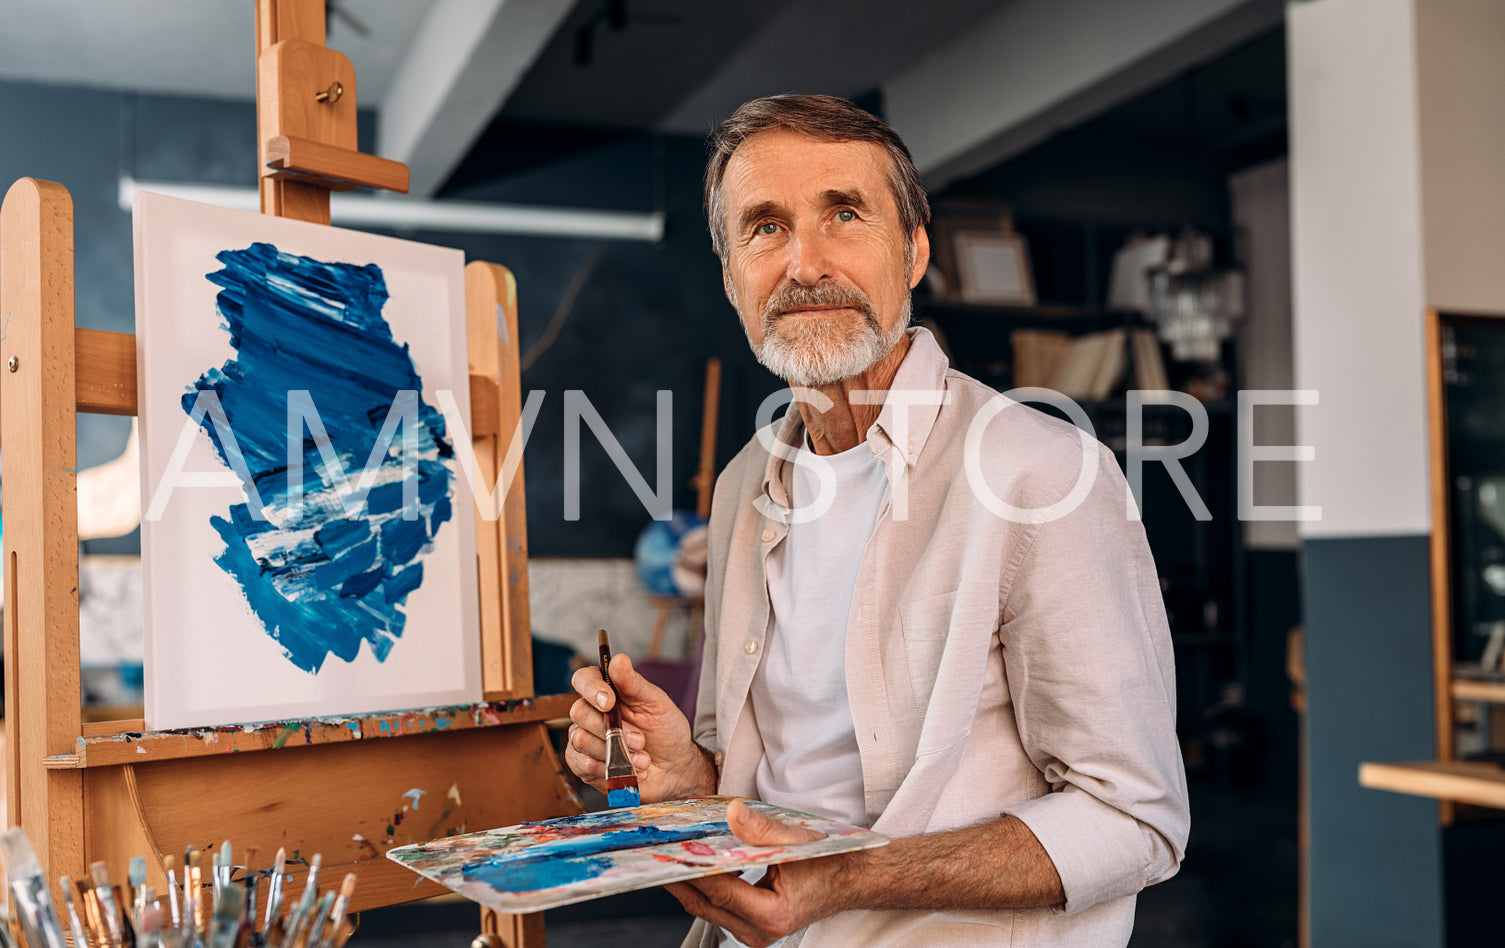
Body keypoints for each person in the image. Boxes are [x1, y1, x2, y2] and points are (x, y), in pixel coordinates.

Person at [566, 94, 1189, 948]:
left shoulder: (1044, 472)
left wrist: (847, 881)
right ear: (727, 274)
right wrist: (685, 772)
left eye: (845, 214)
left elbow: (1133, 822)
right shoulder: (746, 483)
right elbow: (771, 783)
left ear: (915, 249)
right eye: (764, 227)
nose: (805, 263)